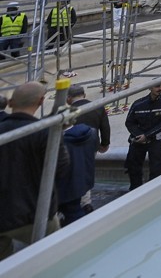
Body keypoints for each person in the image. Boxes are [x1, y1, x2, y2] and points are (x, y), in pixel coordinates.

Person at [0, 82, 68, 256]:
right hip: (34, 213)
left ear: (10, 102)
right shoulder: (44, 133)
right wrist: (57, 131)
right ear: (41, 101)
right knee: (53, 259)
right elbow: (60, 169)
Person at [124, 82, 161, 189]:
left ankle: (153, 191)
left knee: (156, 168)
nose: (160, 89)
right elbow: (129, 122)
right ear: (150, 88)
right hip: (139, 140)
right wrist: (139, 136)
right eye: (157, 86)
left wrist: (147, 135)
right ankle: (135, 191)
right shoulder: (138, 104)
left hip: (156, 139)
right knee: (133, 166)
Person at [67, 85, 109, 215]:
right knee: (87, 171)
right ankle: (86, 202)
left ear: (68, 98)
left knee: (71, 173)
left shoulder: (66, 112)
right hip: (91, 145)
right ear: (84, 95)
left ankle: (73, 200)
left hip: (70, 147)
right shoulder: (97, 107)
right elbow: (105, 127)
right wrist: (104, 143)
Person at [56, 118, 98, 225]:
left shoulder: (59, 141)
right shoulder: (91, 133)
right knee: (74, 213)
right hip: (82, 180)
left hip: (64, 186)